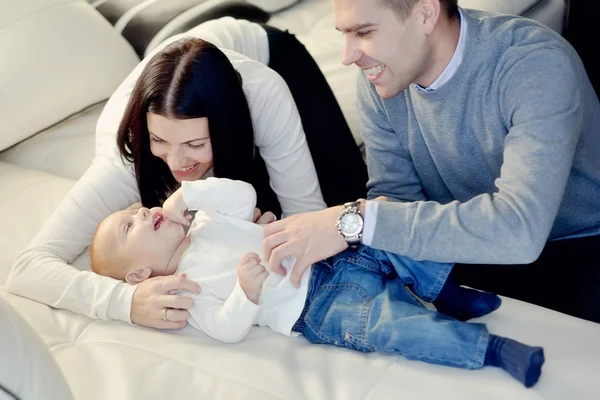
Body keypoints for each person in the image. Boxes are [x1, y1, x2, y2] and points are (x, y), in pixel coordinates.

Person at [7, 17, 367, 330]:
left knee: (346, 211)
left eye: (195, 144)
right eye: (160, 140)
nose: (177, 164)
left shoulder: (262, 93)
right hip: (189, 76)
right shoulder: (125, 159)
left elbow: (307, 214)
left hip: (268, 53)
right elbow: (28, 268)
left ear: (227, 131)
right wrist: (126, 302)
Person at [262, 0, 600, 323]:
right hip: (464, 240)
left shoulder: (534, 65)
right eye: (343, 33)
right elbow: (397, 199)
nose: (348, 56)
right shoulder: (380, 78)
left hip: (579, 245)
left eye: (364, 32)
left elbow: (520, 230)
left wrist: (355, 220)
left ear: (425, 13)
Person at [90, 177, 544, 388]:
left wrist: (186, 194)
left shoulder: (204, 218)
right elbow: (227, 329)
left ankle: (443, 292)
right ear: (138, 275)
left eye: (136, 210)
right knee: (393, 326)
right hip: (319, 308)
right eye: (129, 227)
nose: (143, 214)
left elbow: (245, 195)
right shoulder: (183, 290)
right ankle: (490, 350)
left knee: (382, 229)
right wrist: (246, 295)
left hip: (324, 251)